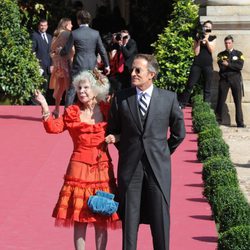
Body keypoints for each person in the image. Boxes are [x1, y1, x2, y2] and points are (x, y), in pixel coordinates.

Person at [107, 54, 186, 250]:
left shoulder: (168, 99)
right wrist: (127, 149)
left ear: (151, 74)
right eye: (132, 69)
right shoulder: (121, 98)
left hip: (158, 168)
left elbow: (179, 133)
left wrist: (162, 152)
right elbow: (113, 131)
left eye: (137, 70)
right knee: (129, 220)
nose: (132, 73)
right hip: (130, 168)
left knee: (160, 219)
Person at [34, 70, 119, 250]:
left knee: (101, 216)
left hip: (102, 169)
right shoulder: (72, 112)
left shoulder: (107, 110)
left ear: (96, 90)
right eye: (79, 88)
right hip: (78, 169)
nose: (82, 91)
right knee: (79, 217)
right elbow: (53, 128)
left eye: (86, 87)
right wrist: (44, 106)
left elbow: (124, 129)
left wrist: (116, 138)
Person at [59, 10, 110, 107]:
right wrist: (107, 65)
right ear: (89, 20)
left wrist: (60, 51)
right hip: (92, 65)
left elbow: (66, 50)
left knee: (72, 90)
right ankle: (98, 112)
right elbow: (102, 50)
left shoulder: (74, 33)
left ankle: (67, 115)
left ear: (78, 20)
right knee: (96, 88)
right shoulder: (95, 33)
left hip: (78, 64)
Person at [178, 20, 216, 108]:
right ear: (203, 27)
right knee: (190, 84)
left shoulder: (213, 38)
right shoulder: (197, 37)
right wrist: (199, 41)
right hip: (197, 64)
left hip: (207, 64)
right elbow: (196, 53)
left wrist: (206, 41)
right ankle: (182, 103)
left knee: (207, 86)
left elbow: (212, 50)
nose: (207, 29)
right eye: (206, 27)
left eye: (209, 28)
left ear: (211, 29)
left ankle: (207, 106)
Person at [216, 35, 245, 128]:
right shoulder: (220, 54)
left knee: (238, 101)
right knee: (220, 100)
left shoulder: (239, 53)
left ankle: (240, 123)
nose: (227, 45)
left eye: (229, 43)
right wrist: (232, 65)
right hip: (224, 79)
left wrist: (228, 64)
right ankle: (218, 121)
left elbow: (240, 66)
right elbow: (222, 67)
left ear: (232, 43)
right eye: (226, 43)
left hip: (235, 79)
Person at [49, 18, 74, 118]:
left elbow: (52, 48)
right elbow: (72, 50)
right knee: (68, 89)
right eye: (71, 24)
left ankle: (56, 109)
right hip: (66, 65)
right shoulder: (67, 34)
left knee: (60, 89)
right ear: (66, 25)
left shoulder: (57, 35)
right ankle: (67, 113)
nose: (72, 26)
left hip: (59, 66)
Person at [31, 19, 53, 97]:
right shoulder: (34, 35)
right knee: (37, 87)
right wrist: (36, 65)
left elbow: (51, 52)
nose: (43, 27)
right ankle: (35, 105)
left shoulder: (50, 37)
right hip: (39, 67)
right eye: (41, 25)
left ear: (47, 26)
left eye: (45, 25)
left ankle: (43, 103)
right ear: (38, 26)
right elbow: (32, 51)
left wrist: (52, 64)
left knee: (45, 87)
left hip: (48, 67)